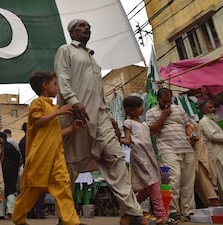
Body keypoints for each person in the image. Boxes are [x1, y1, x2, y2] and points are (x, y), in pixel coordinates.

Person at [54, 19, 148, 225]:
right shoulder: (65, 50)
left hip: (101, 118)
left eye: (88, 26)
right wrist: (73, 101)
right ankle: (66, 217)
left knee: (115, 158)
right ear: (71, 32)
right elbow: (62, 79)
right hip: (76, 116)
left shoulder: (94, 60)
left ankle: (131, 213)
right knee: (71, 165)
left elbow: (98, 93)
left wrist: (111, 118)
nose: (87, 28)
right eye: (81, 25)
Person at [12, 71, 86, 225]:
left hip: (56, 154)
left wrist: (72, 128)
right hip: (41, 155)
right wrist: (59, 112)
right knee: (33, 188)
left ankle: (71, 221)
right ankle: (18, 218)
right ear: (45, 86)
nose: (57, 88)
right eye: (54, 84)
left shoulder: (52, 107)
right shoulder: (37, 103)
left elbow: (55, 133)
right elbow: (38, 122)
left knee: (63, 185)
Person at [146, 88, 197, 223]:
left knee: (188, 182)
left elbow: (188, 125)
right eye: (164, 101)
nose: (167, 103)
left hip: (186, 148)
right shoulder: (151, 112)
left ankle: (188, 210)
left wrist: (193, 135)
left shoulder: (179, 109)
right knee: (174, 179)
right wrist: (163, 116)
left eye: (169, 100)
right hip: (167, 149)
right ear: (158, 99)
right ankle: (173, 211)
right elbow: (151, 131)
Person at [119, 96, 167, 224]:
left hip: (149, 155)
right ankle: (161, 215)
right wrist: (116, 137)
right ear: (132, 110)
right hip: (140, 156)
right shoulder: (128, 123)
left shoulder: (144, 124)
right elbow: (128, 141)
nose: (142, 108)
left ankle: (128, 209)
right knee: (153, 183)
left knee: (148, 187)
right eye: (140, 106)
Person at [190, 119, 219, 207]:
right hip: (196, 157)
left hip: (198, 158)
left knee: (207, 188)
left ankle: (214, 210)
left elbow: (195, 138)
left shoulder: (189, 122)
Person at [199, 100, 223, 202]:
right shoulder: (204, 121)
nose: (213, 109)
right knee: (221, 181)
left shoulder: (212, 121)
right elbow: (212, 136)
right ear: (204, 110)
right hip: (215, 155)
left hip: (220, 152)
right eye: (210, 108)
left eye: (213, 107)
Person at [0, 131, 21, 219]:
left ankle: (1, 213)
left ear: (2, 138)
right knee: (10, 191)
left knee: (2, 191)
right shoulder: (11, 147)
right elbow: (18, 158)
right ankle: (10, 211)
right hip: (11, 174)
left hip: (3, 173)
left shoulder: (2, 148)